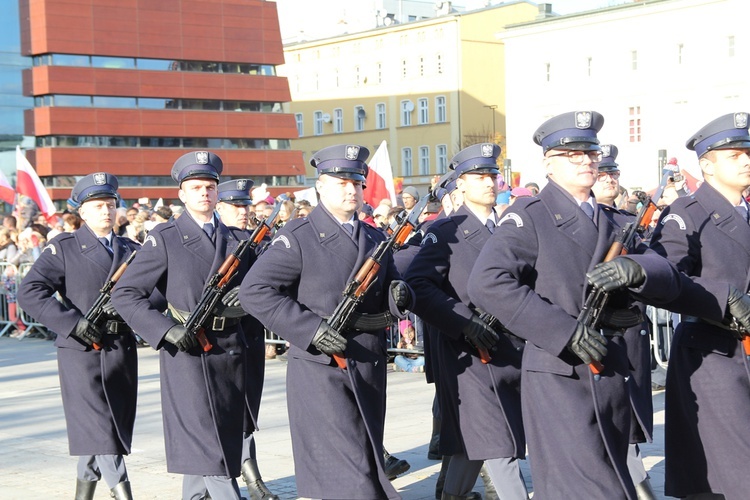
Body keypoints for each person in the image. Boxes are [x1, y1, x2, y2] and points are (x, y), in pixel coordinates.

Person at [467, 111, 681, 500]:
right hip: (559, 376)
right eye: (573, 153)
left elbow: (666, 271)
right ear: (548, 163)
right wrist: (564, 332)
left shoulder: (615, 221)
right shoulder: (529, 216)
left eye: (591, 152)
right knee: (583, 488)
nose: (586, 160)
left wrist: (637, 267)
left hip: (612, 371)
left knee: (613, 482)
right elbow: (487, 283)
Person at [238, 144, 412, 500]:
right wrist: (311, 329)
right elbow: (255, 291)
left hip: (367, 363)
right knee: (351, 474)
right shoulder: (299, 237)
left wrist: (400, 298)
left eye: (357, 182)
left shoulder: (375, 237)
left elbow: (391, 291)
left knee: (362, 458)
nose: (352, 189)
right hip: (321, 369)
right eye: (341, 181)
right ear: (320, 186)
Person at [112, 151, 250, 500]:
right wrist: (164, 330)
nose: (204, 192)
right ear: (182, 194)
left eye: (209, 186)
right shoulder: (167, 237)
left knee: (209, 453)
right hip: (188, 355)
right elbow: (126, 294)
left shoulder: (237, 240)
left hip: (230, 352)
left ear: (217, 193)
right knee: (211, 449)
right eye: (195, 187)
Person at [406, 143, 527, 500]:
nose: (490, 182)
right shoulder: (445, 231)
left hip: (510, 349)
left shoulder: (509, 227)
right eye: (479, 176)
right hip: (468, 354)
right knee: (498, 440)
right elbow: (419, 285)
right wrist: (463, 321)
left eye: (492, 175)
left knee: (468, 445)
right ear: (459, 184)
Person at [17, 173, 142, 499]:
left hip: (121, 349)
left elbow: (154, 295)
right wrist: (72, 323)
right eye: (98, 205)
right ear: (82, 212)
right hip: (81, 351)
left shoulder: (132, 249)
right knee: (102, 427)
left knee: (99, 431)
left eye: (111, 205)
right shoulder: (65, 248)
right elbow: (30, 293)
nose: (106, 211)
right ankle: (123, 493)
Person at [649, 112, 750, 500]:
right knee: (729, 475)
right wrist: (724, 296)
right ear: (706, 165)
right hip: (713, 355)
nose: (745, 160)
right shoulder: (687, 215)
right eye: (734, 154)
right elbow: (665, 278)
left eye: (747, 152)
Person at [592, 144, 657, 499]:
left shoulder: (626, 220)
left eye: (614, 173)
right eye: (603, 174)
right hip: (602, 332)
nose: (610, 179)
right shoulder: (592, 221)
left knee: (630, 422)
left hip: (631, 327)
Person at [215, 178, 279, 500]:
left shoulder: (255, 242)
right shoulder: (214, 242)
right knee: (228, 413)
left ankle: (247, 478)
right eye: (236, 206)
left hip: (250, 338)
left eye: (246, 205)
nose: (244, 212)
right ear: (220, 207)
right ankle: (251, 480)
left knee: (247, 412)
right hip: (219, 340)